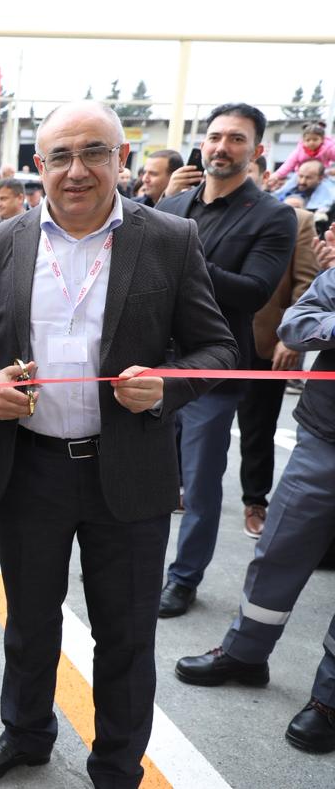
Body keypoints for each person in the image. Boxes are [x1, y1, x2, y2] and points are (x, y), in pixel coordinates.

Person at [0, 100, 237, 787]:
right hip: (29, 469)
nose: (76, 170)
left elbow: (218, 349)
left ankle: (116, 765)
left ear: (122, 159)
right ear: (38, 165)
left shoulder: (168, 238)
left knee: (126, 635)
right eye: (60, 156)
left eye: (93, 153)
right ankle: (25, 734)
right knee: (29, 624)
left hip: (128, 472)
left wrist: (167, 385)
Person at [173, 245, 335, 754]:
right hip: (324, 439)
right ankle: (244, 654)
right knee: (278, 550)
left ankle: (329, 700)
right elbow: (296, 322)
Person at [156, 102, 298, 617]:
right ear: (202, 144)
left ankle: (183, 578)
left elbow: (254, 291)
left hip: (212, 371)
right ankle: (139, 565)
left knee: (199, 484)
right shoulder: (172, 207)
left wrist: (183, 255)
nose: (222, 147)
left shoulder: (272, 215)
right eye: (215, 137)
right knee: (146, 476)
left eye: (237, 139)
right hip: (152, 364)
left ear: (257, 150)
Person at [235, 156, 320, 539]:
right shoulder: (203, 215)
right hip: (211, 339)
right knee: (192, 423)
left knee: (258, 427)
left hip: (265, 342)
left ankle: (255, 501)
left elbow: (306, 284)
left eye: (248, 173)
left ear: (264, 176)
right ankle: (184, 486)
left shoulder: (295, 220)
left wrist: (290, 336)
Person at [271, 121, 335, 184]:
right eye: (308, 140)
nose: (311, 142)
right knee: (287, 187)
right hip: (301, 176)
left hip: (321, 177)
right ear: (303, 140)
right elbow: (288, 165)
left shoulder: (328, 149)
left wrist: (331, 171)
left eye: (315, 139)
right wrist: (277, 175)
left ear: (322, 139)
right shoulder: (299, 151)